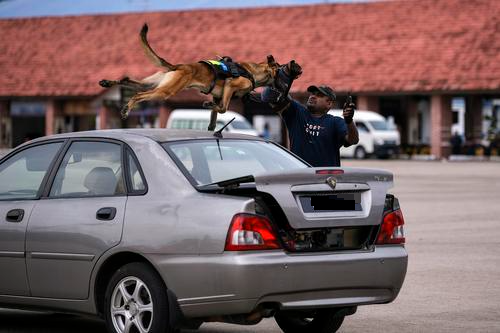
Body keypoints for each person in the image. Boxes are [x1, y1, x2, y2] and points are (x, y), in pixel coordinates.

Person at [256, 78, 359, 167]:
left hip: (327, 180)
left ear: (329, 103)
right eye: (312, 93)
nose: (313, 96)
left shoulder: (335, 122)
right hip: (300, 177)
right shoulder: (297, 112)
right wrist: (280, 78)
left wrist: (349, 121)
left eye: (319, 95)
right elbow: (271, 96)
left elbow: (353, 140)